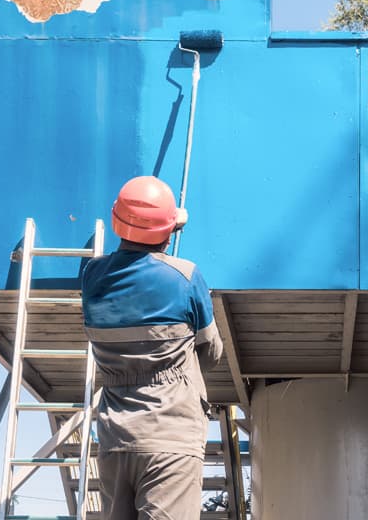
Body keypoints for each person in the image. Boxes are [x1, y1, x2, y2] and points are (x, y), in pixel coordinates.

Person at [81, 175, 223, 520]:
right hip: (169, 435)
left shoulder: (91, 276)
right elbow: (212, 353)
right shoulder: (185, 276)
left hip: (115, 436)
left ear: (118, 223)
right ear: (168, 231)